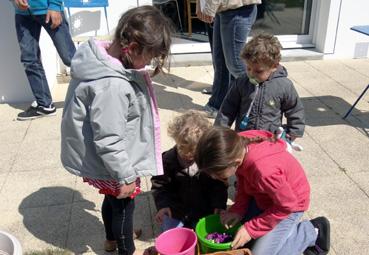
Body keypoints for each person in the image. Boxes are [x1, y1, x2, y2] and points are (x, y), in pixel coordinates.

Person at [60, 6, 173, 255]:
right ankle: (125, 248)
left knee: (111, 200)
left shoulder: (96, 59)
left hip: (104, 162)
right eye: (150, 56)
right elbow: (109, 139)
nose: (150, 63)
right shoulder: (112, 85)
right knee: (123, 207)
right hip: (114, 164)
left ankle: (111, 239)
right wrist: (125, 176)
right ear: (131, 48)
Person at [195, 127, 331, 255]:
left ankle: (312, 231)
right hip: (268, 196)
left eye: (217, 173)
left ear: (235, 162)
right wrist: (238, 209)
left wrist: (251, 229)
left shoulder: (264, 171)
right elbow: (244, 181)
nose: (214, 177)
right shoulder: (237, 145)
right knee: (244, 234)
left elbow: (286, 206)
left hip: (292, 204)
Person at [215, 33, 305, 142]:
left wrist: (294, 130)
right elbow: (228, 108)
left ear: (274, 66)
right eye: (248, 68)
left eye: (259, 71)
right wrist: (219, 130)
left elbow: (294, 108)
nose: (251, 74)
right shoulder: (242, 82)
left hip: (270, 139)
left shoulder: (284, 85)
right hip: (244, 137)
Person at [151, 110, 228, 232]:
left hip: (203, 211)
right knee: (171, 235)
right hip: (176, 212)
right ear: (176, 140)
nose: (187, 154)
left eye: (193, 151)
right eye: (182, 148)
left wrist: (218, 205)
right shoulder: (167, 161)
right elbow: (160, 186)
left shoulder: (209, 162)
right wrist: (163, 206)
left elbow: (218, 186)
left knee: (208, 236)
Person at [13, 0, 76, 120]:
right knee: (29, 60)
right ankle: (44, 105)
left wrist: (55, 6)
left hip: (48, 9)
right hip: (23, 13)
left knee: (70, 58)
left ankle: (101, 90)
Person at [197, 0, 261, 118]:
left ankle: (261, 102)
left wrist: (209, 7)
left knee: (236, 65)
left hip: (237, 9)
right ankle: (216, 106)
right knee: (221, 61)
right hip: (224, 8)